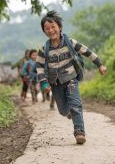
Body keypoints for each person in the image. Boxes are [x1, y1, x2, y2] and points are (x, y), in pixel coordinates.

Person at [36, 10, 107, 145]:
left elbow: (87, 51)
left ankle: (79, 131)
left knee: (75, 105)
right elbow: (39, 66)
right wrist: (44, 83)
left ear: (59, 27)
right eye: (47, 28)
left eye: (53, 27)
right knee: (63, 110)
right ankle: (68, 111)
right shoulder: (43, 50)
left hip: (70, 78)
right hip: (55, 82)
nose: (51, 30)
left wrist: (100, 65)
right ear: (44, 31)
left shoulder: (70, 42)